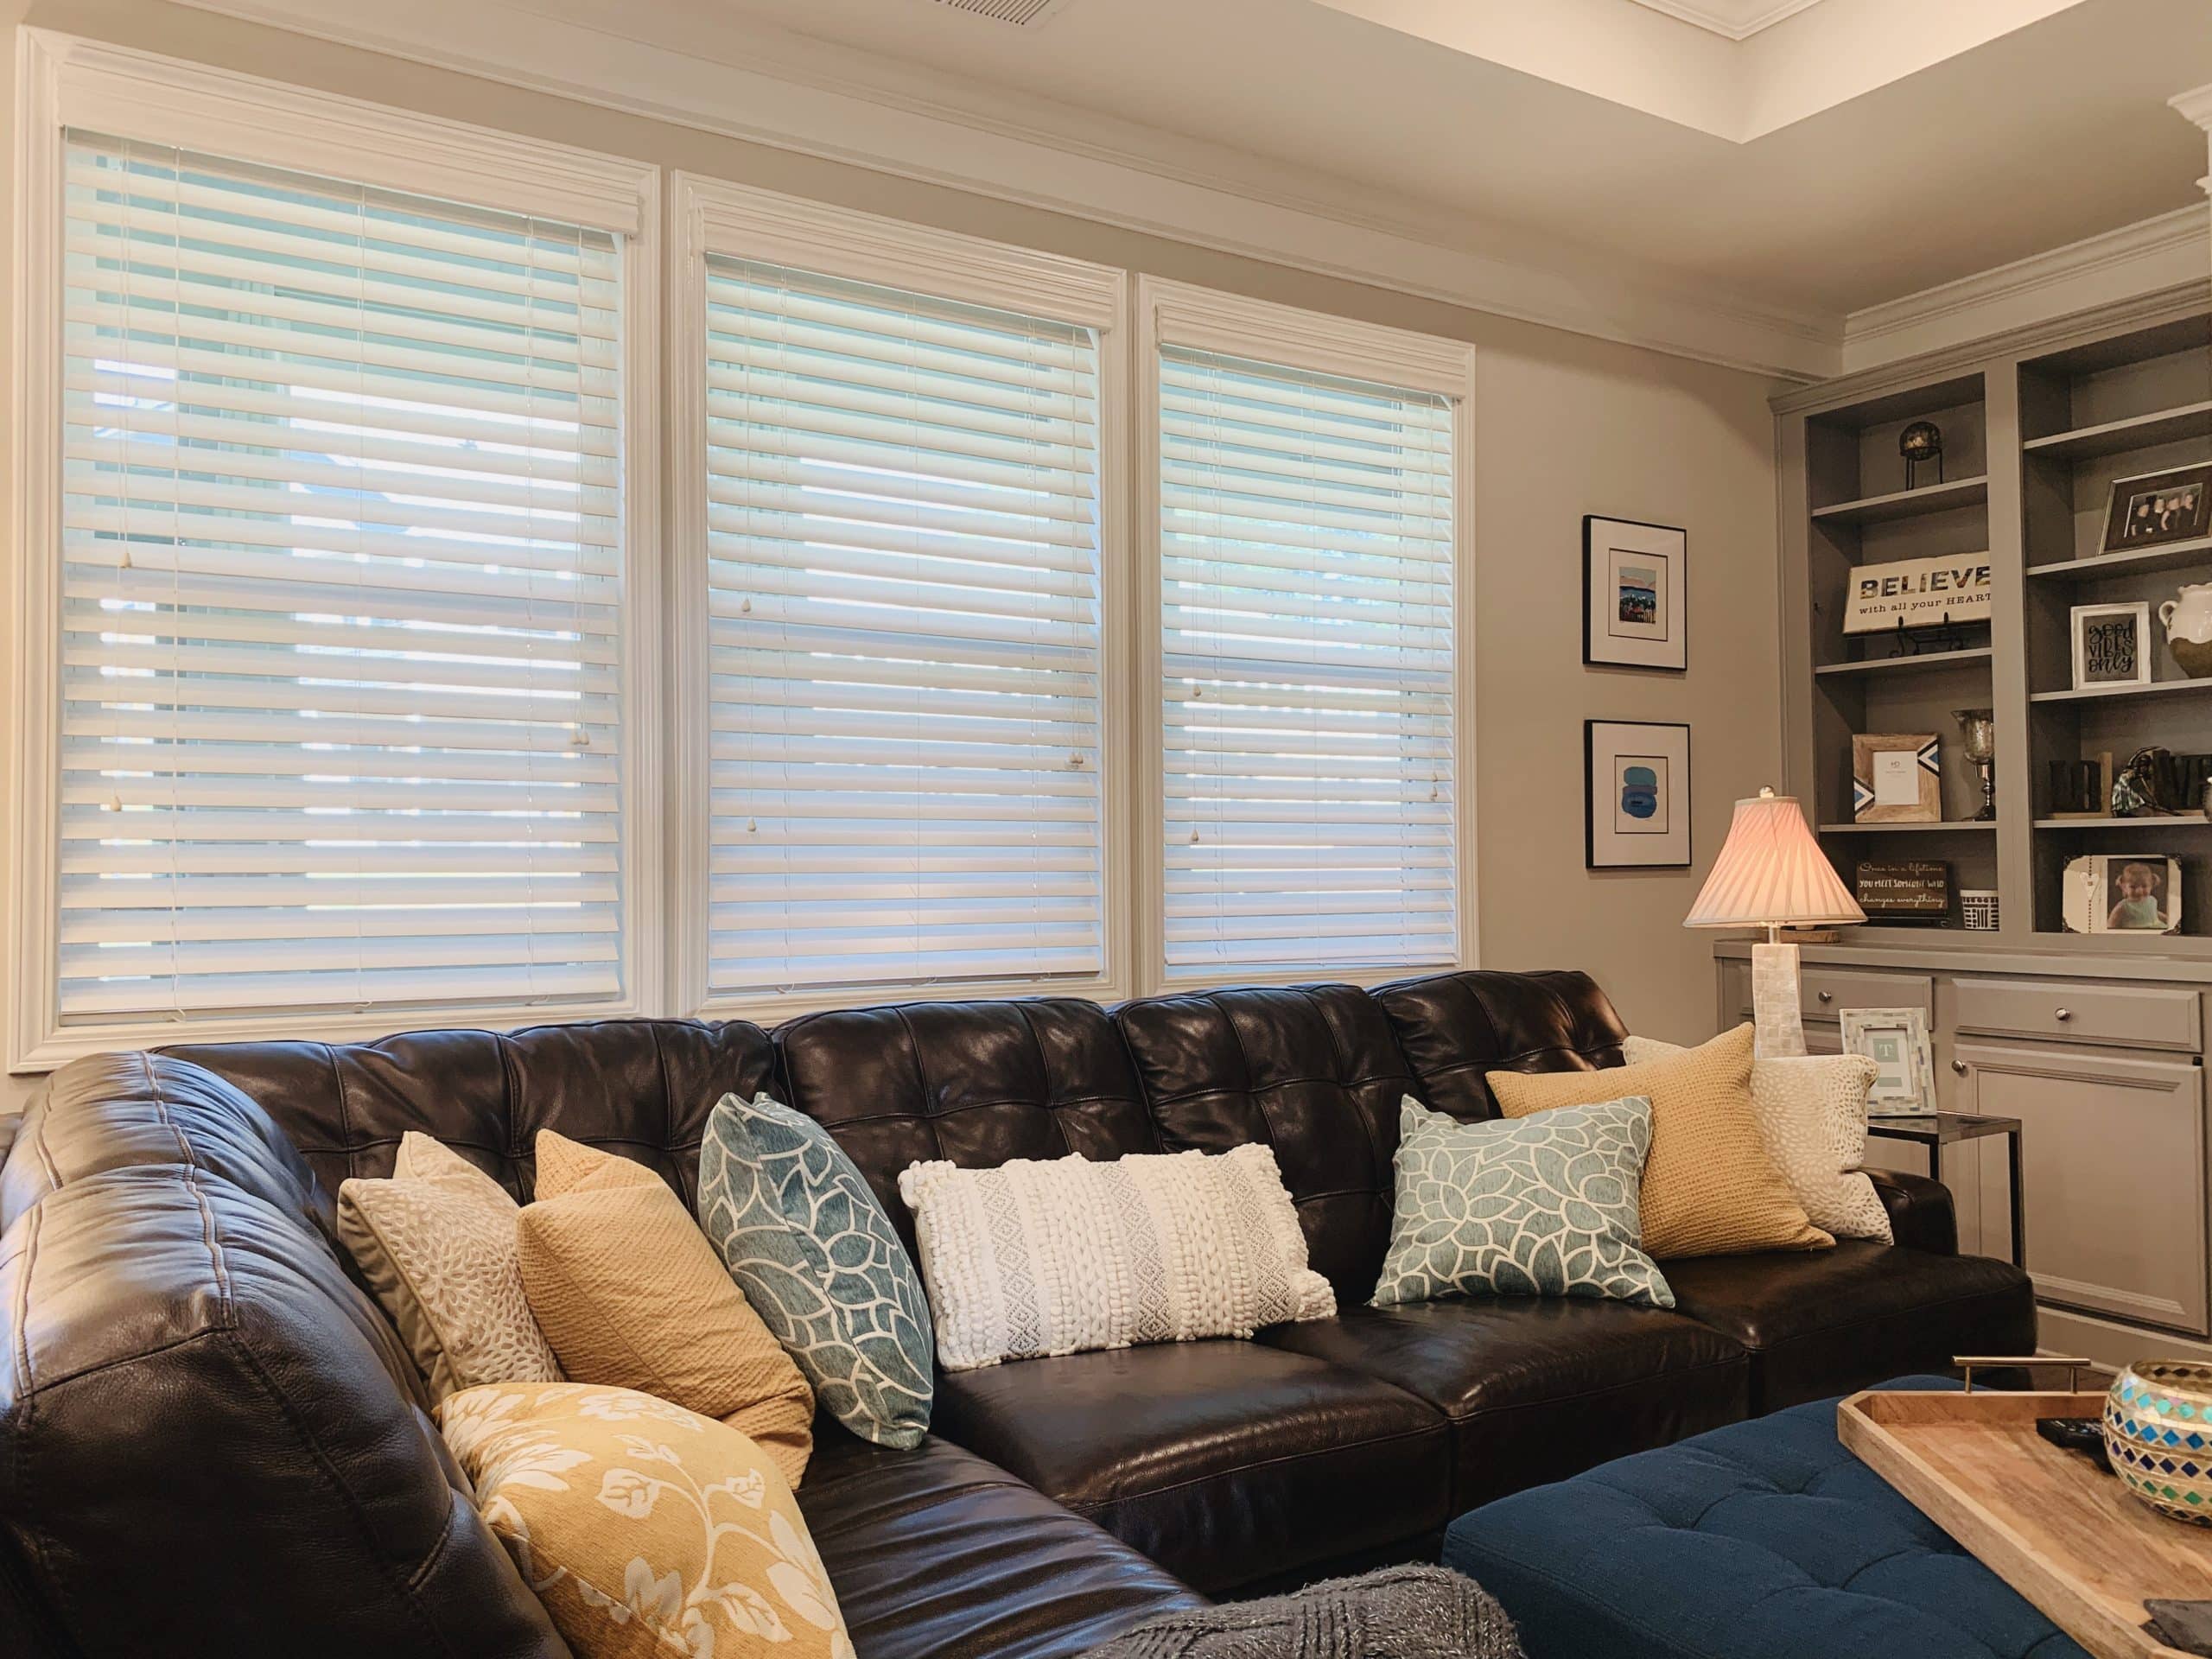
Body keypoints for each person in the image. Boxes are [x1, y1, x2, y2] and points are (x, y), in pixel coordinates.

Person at [2108, 861, 2166, 930]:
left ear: (2151, 885)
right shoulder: (2123, 906)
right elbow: (2111, 924)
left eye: (2144, 886)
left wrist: (2167, 919)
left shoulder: (2152, 900)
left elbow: (2153, 913)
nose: (2139, 891)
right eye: (2133, 887)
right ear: (2124, 887)